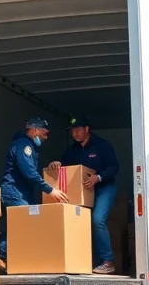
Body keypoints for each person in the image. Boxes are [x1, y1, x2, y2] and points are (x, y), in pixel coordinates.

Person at [48, 117, 120, 274]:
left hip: (104, 187)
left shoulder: (102, 145)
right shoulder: (72, 150)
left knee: (98, 220)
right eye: (72, 130)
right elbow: (64, 166)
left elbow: (114, 167)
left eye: (78, 129)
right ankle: (87, 261)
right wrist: (56, 163)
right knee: (81, 222)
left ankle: (108, 261)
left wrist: (98, 177)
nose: (75, 133)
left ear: (87, 129)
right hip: (84, 191)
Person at [0, 117, 69, 270]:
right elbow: (29, 173)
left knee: (16, 226)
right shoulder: (24, 145)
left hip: (19, 193)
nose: (45, 137)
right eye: (45, 133)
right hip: (14, 192)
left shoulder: (29, 146)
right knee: (24, 224)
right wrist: (51, 190)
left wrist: (50, 166)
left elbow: (32, 171)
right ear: (35, 130)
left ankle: (2, 256)